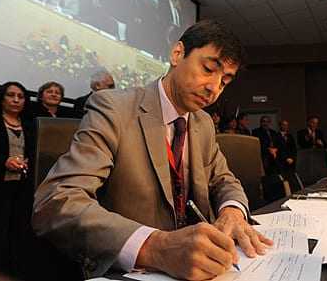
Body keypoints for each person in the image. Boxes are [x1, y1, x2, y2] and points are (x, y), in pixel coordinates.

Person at [32, 20, 273, 280]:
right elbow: (56, 201)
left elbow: (224, 179)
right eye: (208, 69)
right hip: (133, 271)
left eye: (224, 81)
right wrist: (156, 247)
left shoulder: (202, 122)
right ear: (177, 54)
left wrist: (233, 212)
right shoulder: (114, 108)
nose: (214, 88)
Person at [0, 82, 34, 277]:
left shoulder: (30, 123)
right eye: (10, 95)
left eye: (20, 96)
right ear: (1, 97)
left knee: (17, 230)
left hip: (22, 188)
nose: (16, 100)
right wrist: (3, 161)